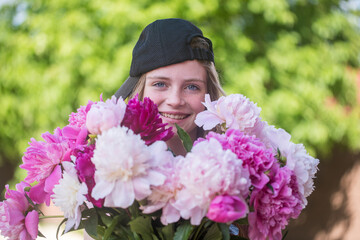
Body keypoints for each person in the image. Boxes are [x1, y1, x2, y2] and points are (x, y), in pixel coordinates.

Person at [115, 18, 225, 156]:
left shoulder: (237, 163)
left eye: (191, 87)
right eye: (160, 84)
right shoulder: (105, 167)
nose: (175, 100)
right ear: (139, 92)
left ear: (209, 94)